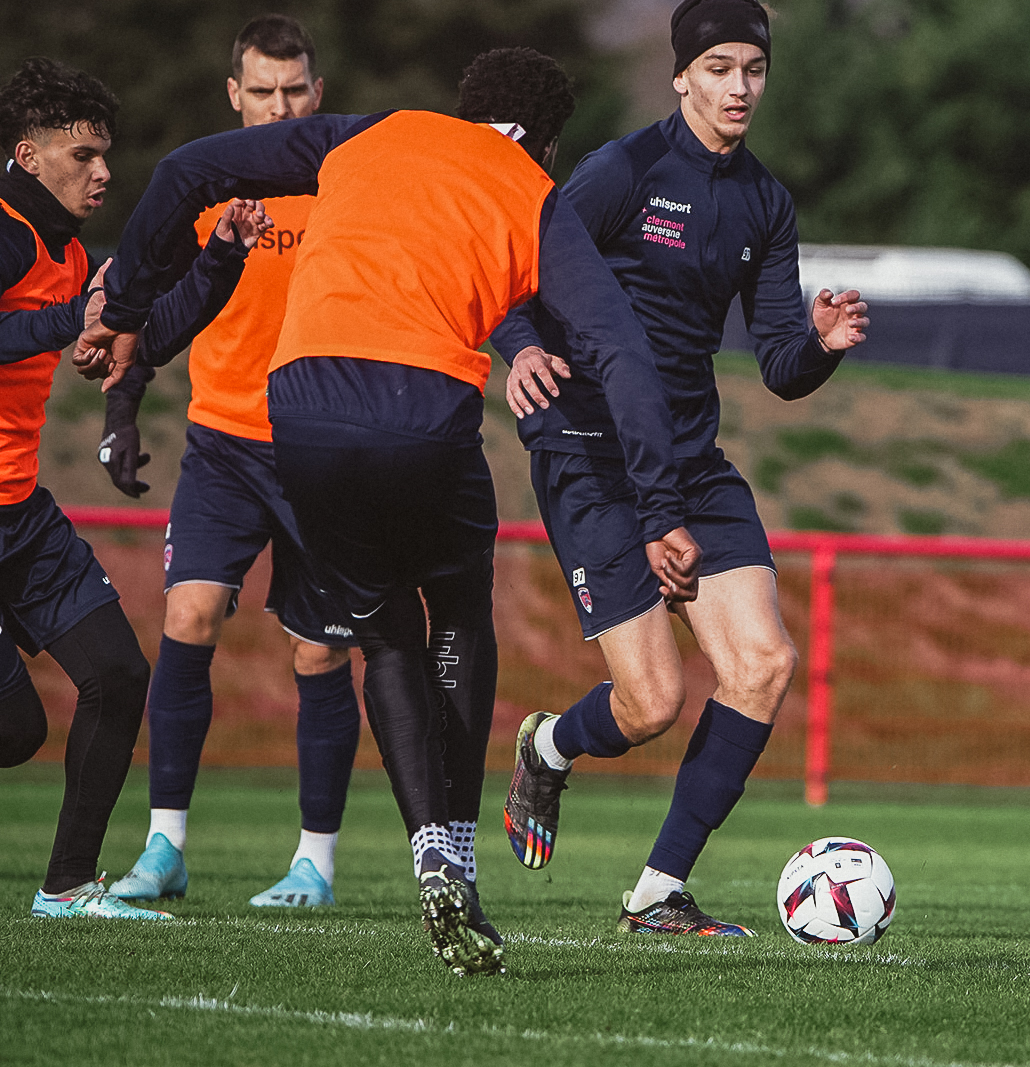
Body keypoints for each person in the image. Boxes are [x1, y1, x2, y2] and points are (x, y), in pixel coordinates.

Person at [79, 47, 698, 975]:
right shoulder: (532, 191)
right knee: (455, 610)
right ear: (549, 144)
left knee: (384, 639)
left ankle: (431, 863)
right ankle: (458, 847)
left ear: (463, 106)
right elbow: (621, 354)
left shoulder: (376, 133)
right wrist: (659, 508)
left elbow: (185, 170)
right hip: (420, 413)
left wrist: (124, 303)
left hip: (301, 411)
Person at [493, 0, 868, 937]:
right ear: (681, 77)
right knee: (652, 702)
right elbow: (515, 268)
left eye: (753, 69)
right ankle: (550, 745)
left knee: (764, 665)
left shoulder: (766, 204)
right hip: (591, 448)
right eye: (718, 69)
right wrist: (523, 347)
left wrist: (819, 344)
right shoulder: (622, 171)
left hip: (691, 458)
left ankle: (658, 892)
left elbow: (779, 366)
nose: (738, 87)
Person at [106, 15, 363, 911]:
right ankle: (165, 847)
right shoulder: (205, 187)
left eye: (296, 93)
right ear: (234, 96)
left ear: (317, 97)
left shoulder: (346, 185)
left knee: (318, 658)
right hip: (221, 442)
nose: (280, 107)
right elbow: (154, 314)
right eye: (263, 93)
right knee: (188, 616)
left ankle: (315, 865)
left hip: (323, 452)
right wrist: (120, 410)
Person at [0, 56, 260, 920]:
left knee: (116, 672)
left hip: (20, 517)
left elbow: (144, 331)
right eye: (82, 155)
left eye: (106, 154)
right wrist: (63, 320)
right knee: (15, 734)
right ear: (27, 156)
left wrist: (221, 257)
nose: (103, 172)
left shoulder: (71, 254)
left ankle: (68, 886)